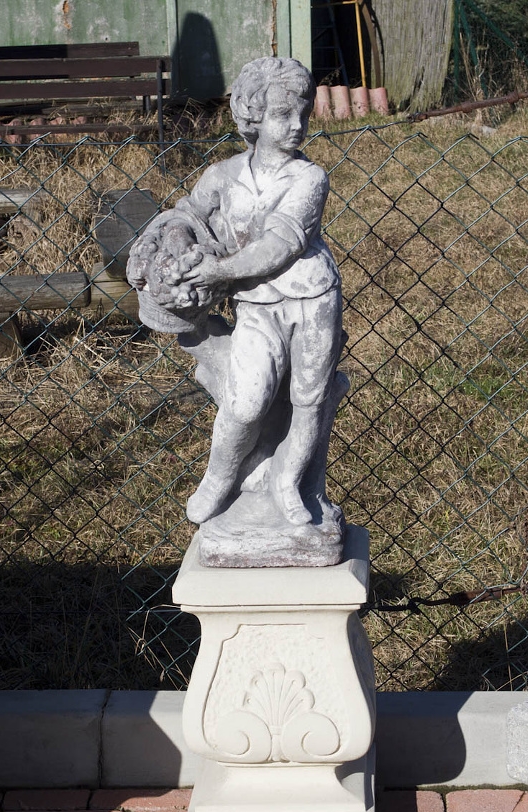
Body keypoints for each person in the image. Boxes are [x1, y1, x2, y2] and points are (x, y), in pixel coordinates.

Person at [176, 57, 343, 529]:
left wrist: (219, 272)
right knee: (245, 402)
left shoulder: (309, 178)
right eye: (282, 114)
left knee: (309, 399)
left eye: (303, 113)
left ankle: (288, 482)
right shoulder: (222, 176)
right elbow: (187, 215)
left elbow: (280, 244)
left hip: (313, 301)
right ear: (252, 115)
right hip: (255, 305)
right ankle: (218, 478)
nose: (297, 125)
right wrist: (173, 245)